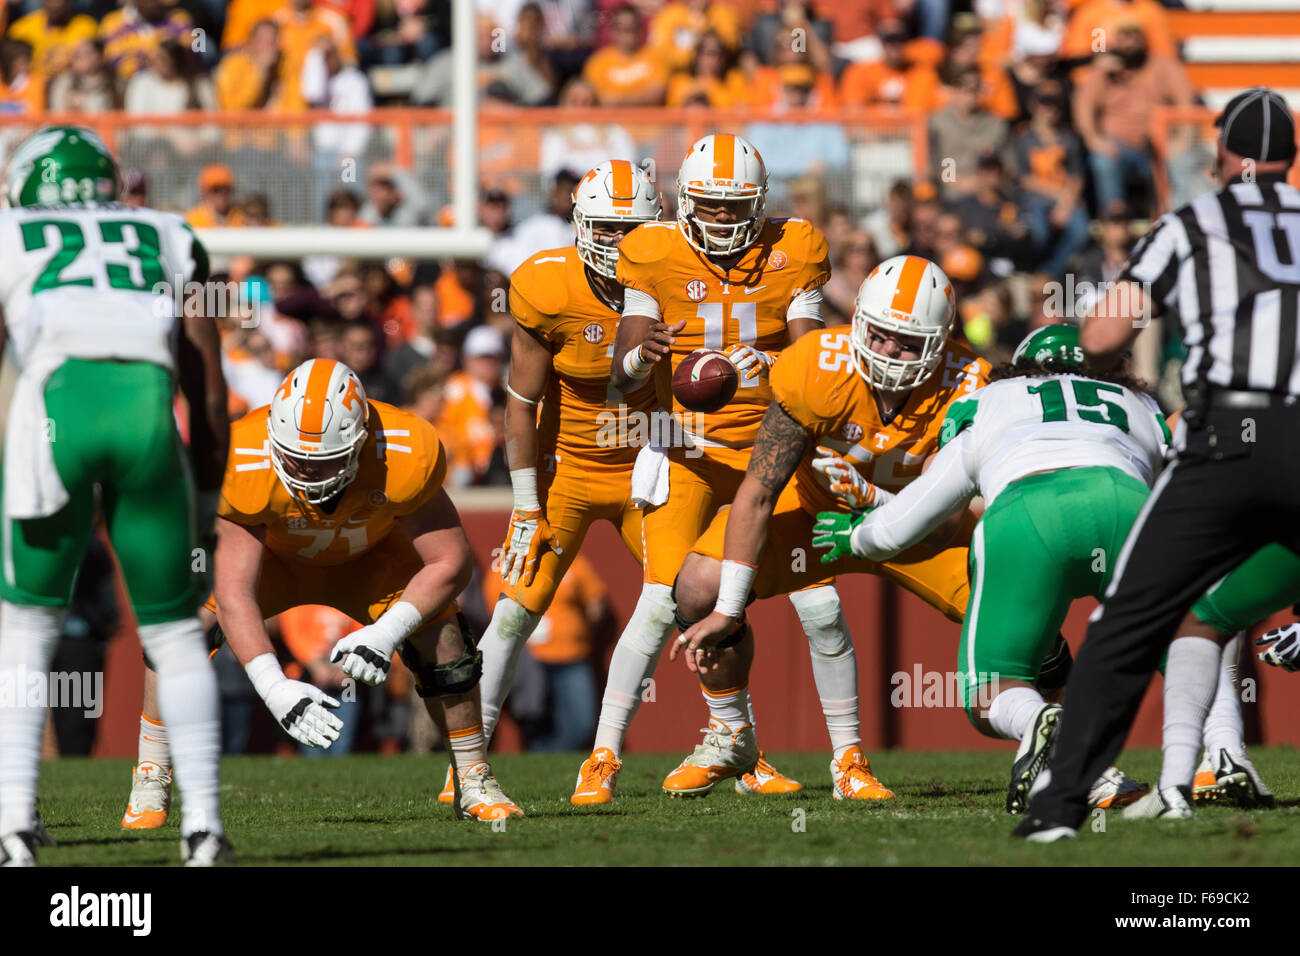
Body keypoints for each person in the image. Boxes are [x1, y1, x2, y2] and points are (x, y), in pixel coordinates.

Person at [1017, 88, 1300, 840]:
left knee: (1126, 623)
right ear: (1291, 160)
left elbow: (1106, 336)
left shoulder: (1194, 222)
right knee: (1209, 616)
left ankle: (1060, 805)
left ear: (1221, 157)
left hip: (1226, 438)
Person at [122, 358, 524, 827]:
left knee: (447, 637)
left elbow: (452, 563)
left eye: (323, 461)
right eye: (295, 458)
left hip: (371, 561)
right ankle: (151, 773)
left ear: (358, 441)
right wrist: (274, 687)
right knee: (182, 625)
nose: (307, 473)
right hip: (279, 563)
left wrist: (388, 632)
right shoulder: (243, 455)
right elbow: (234, 593)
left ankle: (473, 777)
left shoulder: (403, 448)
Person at [818, 323, 1169, 812]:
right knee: (1196, 644)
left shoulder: (991, 398)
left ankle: (1046, 728)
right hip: (1129, 507)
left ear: (1020, 365)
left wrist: (858, 534)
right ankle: (1218, 755)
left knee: (992, 690)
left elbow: (928, 512)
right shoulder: (1139, 403)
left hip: (1026, 516)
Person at [0, 126, 229, 866]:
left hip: (55, 410)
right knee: (174, 635)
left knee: (27, 629)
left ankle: (12, 826)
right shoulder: (168, 231)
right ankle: (203, 831)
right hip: (146, 412)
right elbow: (210, 390)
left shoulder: (10, 232)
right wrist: (205, 503)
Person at [603, 133, 841, 801]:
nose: (721, 220)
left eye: (734, 208)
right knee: (677, 598)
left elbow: (815, 360)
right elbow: (620, 384)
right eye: (708, 205)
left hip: (774, 448)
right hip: (688, 453)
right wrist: (637, 359)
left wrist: (788, 366)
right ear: (686, 202)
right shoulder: (652, 252)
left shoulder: (793, 248)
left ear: (759, 204)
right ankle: (713, 740)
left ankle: (849, 760)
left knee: (820, 605)